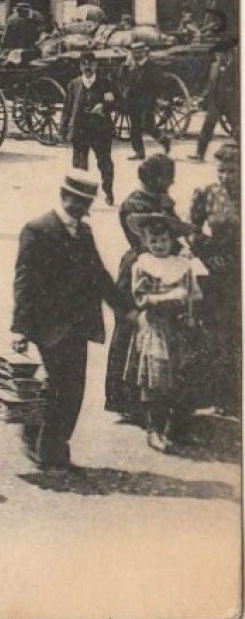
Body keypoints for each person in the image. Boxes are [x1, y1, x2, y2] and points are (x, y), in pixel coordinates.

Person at [10, 174, 135, 469]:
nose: (79, 206)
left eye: (86, 202)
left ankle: (39, 435)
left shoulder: (84, 232)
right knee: (59, 385)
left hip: (79, 323)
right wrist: (21, 329)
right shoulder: (37, 230)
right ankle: (49, 451)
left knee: (73, 387)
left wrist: (123, 308)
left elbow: (99, 274)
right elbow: (23, 281)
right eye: (75, 200)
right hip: (47, 324)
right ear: (63, 195)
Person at [121, 212, 208, 452]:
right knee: (156, 377)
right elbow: (140, 298)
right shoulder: (143, 265)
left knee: (181, 376)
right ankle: (154, 430)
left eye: (163, 241)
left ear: (172, 241)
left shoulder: (182, 265)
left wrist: (188, 310)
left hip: (178, 326)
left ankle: (177, 429)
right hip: (156, 324)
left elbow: (194, 294)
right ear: (146, 242)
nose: (159, 246)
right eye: (153, 241)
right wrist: (166, 298)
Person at [106, 154, 180, 419]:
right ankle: (126, 400)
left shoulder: (157, 200)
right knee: (131, 332)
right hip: (139, 270)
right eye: (167, 177)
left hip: (157, 266)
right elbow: (147, 239)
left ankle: (144, 399)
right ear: (155, 178)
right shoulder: (136, 204)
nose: (171, 182)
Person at [190, 141, 241, 418]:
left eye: (231, 170)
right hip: (220, 275)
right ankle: (224, 396)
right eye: (220, 171)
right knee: (220, 335)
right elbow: (192, 232)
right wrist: (209, 255)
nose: (225, 176)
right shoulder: (207, 194)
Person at [62, 50, 118, 205]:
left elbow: (120, 103)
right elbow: (67, 108)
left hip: (100, 131)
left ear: (96, 65)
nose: (88, 68)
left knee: (105, 163)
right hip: (80, 130)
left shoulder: (105, 83)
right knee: (79, 166)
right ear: (80, 67)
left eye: (91, 64)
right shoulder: (74, 85)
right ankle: (80, 197)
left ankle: (108, 192)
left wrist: (105, 106)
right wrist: (63, 130)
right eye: (84, 64)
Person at [121, 40, 171, 162]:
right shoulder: (131, 66)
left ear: (145, 52)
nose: (136, 55)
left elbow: (160, 84)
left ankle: (164, 140)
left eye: (139, 52)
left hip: (147, 100)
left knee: (147, 126)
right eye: (134, 52)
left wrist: (159, 99)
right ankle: (139, 152)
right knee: (134, 127)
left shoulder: (152, 67)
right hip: (133, 100)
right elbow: (123, 80)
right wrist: (125, 68)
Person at [192, 38, 238, 162]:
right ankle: (199, 154)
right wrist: (204, 97)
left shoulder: (238, 64)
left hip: (231, 101)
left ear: (228, 52)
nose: (218, 55)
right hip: (216, 101)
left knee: (237, 126)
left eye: (220, 53)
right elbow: (211, 83)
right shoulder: (215, 65)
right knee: (207, 126)